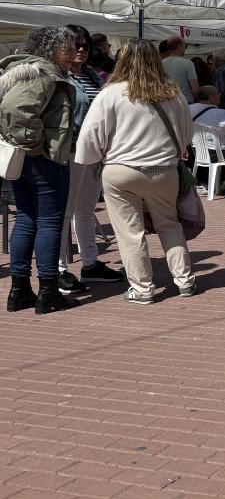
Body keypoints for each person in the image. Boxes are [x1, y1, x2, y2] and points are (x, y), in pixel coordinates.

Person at [74, 39, 196, 305]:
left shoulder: (111, 92)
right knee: (169, 224)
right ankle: (184, 279)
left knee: (130, 231)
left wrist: (93, 161)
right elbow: (186, 134)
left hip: (121, 170)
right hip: (164, 170)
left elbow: (90, 137)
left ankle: (142, 288)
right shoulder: (172, 92)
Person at [1, 27, 78, 314]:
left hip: (23, 158)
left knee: (26, 219)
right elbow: (16, 109)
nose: (72, 55)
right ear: (51, 49)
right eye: (67, 50)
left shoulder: (21, 69)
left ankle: (19, 290)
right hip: (42, 158)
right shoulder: (42, 72)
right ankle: (48, 291)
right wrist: (37, 144)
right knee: (48, 222)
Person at [57, 24, 124, 295]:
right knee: (64, 212)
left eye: (85, 45)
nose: (81, 50)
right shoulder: (59, 78)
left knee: (86, 209)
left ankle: (90, 263)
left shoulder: (95, 76)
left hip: (95, 152)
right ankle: (59, 269)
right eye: (76, 44)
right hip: (70, 150)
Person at [190, 85, 225, 162]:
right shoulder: (223, 114)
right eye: (217, 93)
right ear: (211, 98)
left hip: (198, 152)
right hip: (222, 155)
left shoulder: (189, 108)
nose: (219, 95)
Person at [158, 36, 199, 104]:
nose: (185, 49)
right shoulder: (188, 63)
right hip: (185, 102)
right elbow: (195, 88)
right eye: (185, 46)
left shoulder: (160, 64)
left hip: (167, 102)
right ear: (179, 47)